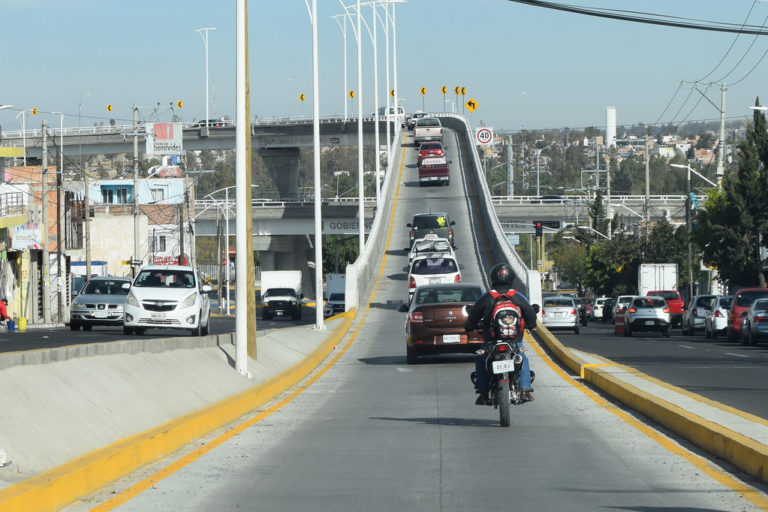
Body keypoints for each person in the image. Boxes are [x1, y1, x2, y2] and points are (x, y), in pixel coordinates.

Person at [464, 262, 538, 405]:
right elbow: (531, 316)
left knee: (480, 359)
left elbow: (472, 318)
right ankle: (525, 390)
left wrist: (469, 326)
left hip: (491, 341)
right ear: (511, 278)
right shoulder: (517, 297)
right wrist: (531, 325)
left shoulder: (487, 297)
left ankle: (483, 392)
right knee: (522, 358)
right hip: (514, 340)